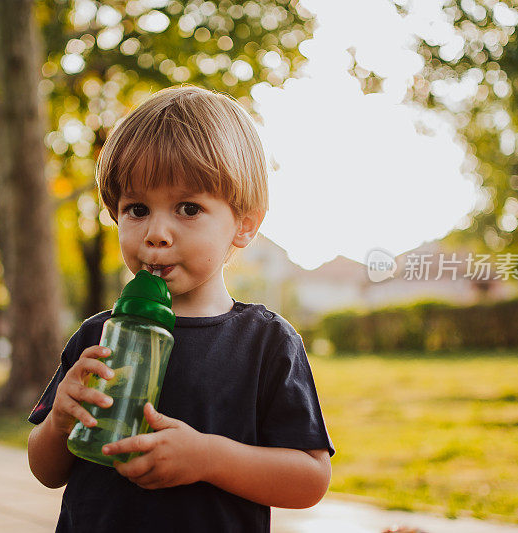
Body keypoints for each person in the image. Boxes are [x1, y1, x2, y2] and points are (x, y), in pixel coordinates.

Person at [27, 85, 335, 533]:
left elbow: (310, 479)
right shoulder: (99, 335)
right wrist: (58, 422)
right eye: (136, 209)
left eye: (188, 208)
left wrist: (209, 458)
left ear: (244, 225)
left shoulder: (265, 342)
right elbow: (46, 471)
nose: (156, 232)